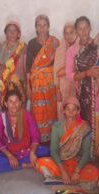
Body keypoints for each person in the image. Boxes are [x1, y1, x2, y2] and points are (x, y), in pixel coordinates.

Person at [36, 97, 99, 185]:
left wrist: (77, 171)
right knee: (41, 162)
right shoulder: (56, 126)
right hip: (61, 163)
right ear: (63, 110)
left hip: (77, 164)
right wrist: (63, 171)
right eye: (68, 109)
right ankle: (66, 176)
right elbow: (54, 151)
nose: (70, 112)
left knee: (94, 172)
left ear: (78, 111)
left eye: (74, 109)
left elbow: (86, 153)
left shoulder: (84, 127)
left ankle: (60, 177)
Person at [65, 16, 99, 161]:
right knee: (84, 123)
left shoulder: (98, 45)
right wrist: (87, 73)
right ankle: (86, 156)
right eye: (80, 28)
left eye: (86, 27)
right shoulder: (72, 51)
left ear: (90, 28)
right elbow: (69, 75)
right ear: (76, 30)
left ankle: (98, 156)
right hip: (82, 92)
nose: (84, 31)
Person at [0, 90, 49, 173]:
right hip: (9, 152)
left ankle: (20, 164)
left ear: (20, 103)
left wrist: (32, 152)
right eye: (11, 102)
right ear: (6, 104)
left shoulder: (27, 115)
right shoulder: (1, 118)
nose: (14, 105)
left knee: (45, 151)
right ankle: (26, 165)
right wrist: (9, 156)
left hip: (26, 151)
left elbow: (35, 136)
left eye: (16, 101)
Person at [26, 14, 60, 144]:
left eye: (44, 25)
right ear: (35, 27)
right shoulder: (31, 43)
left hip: (51, 83)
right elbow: (28, 67)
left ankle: (51, 140)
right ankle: (38, 139)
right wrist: (28, 87)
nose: (42, 28)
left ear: (48, 26)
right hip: (36, 84)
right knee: (38, 111)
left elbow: (58, 63)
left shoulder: (55, 42)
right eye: (39, 25)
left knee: (51, 111)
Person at [0, 21, 27, 110]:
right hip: (4, 85)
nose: (12, 33)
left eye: (15, 30)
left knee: (19, 111)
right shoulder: (1, 47)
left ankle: (19, 124)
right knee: (6, 110)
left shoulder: (23, 47)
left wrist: (27, 87)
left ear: (18, 33)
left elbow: (26, 68)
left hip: (19, 85)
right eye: (9, 30)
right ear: (5, 33)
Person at [54, 22, 78, 120]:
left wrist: (65, 70)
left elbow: (80, 67)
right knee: (63, 113)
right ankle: (64, 135)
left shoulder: (80, 47)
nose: (69, 36)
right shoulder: (60, 49)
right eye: (66, 33)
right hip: (62, 87)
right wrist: (57, 92)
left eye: (71, 32)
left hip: (77, 85)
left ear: (76, 32)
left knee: (76, 111)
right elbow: (56, 73)